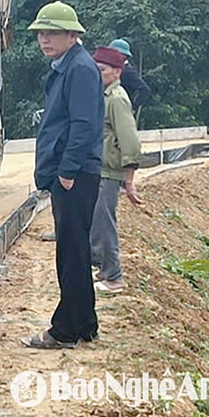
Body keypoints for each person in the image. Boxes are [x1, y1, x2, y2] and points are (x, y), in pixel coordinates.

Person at [23, 1, 104, 351]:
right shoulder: (67, 66)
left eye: (52, 32)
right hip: (71, 172)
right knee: (75, 250)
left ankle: (65, 330)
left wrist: (67, 171)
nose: (45, 39)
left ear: (72, 35)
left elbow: (83, 125)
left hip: (76, 173)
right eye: (41, 33)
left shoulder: (80, 69)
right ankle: (85, 323)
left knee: (70, 253)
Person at [91, 46, 142, 296]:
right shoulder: (105, 96)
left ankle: (114, 277)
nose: (98, 74)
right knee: (97, 221)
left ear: (117, 72)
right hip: (101, 169)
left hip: (110, 172)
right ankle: (104, 269)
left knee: (104, 223)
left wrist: (129, 181)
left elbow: (129, 141)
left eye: (102, 70)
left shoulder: (118, 99)